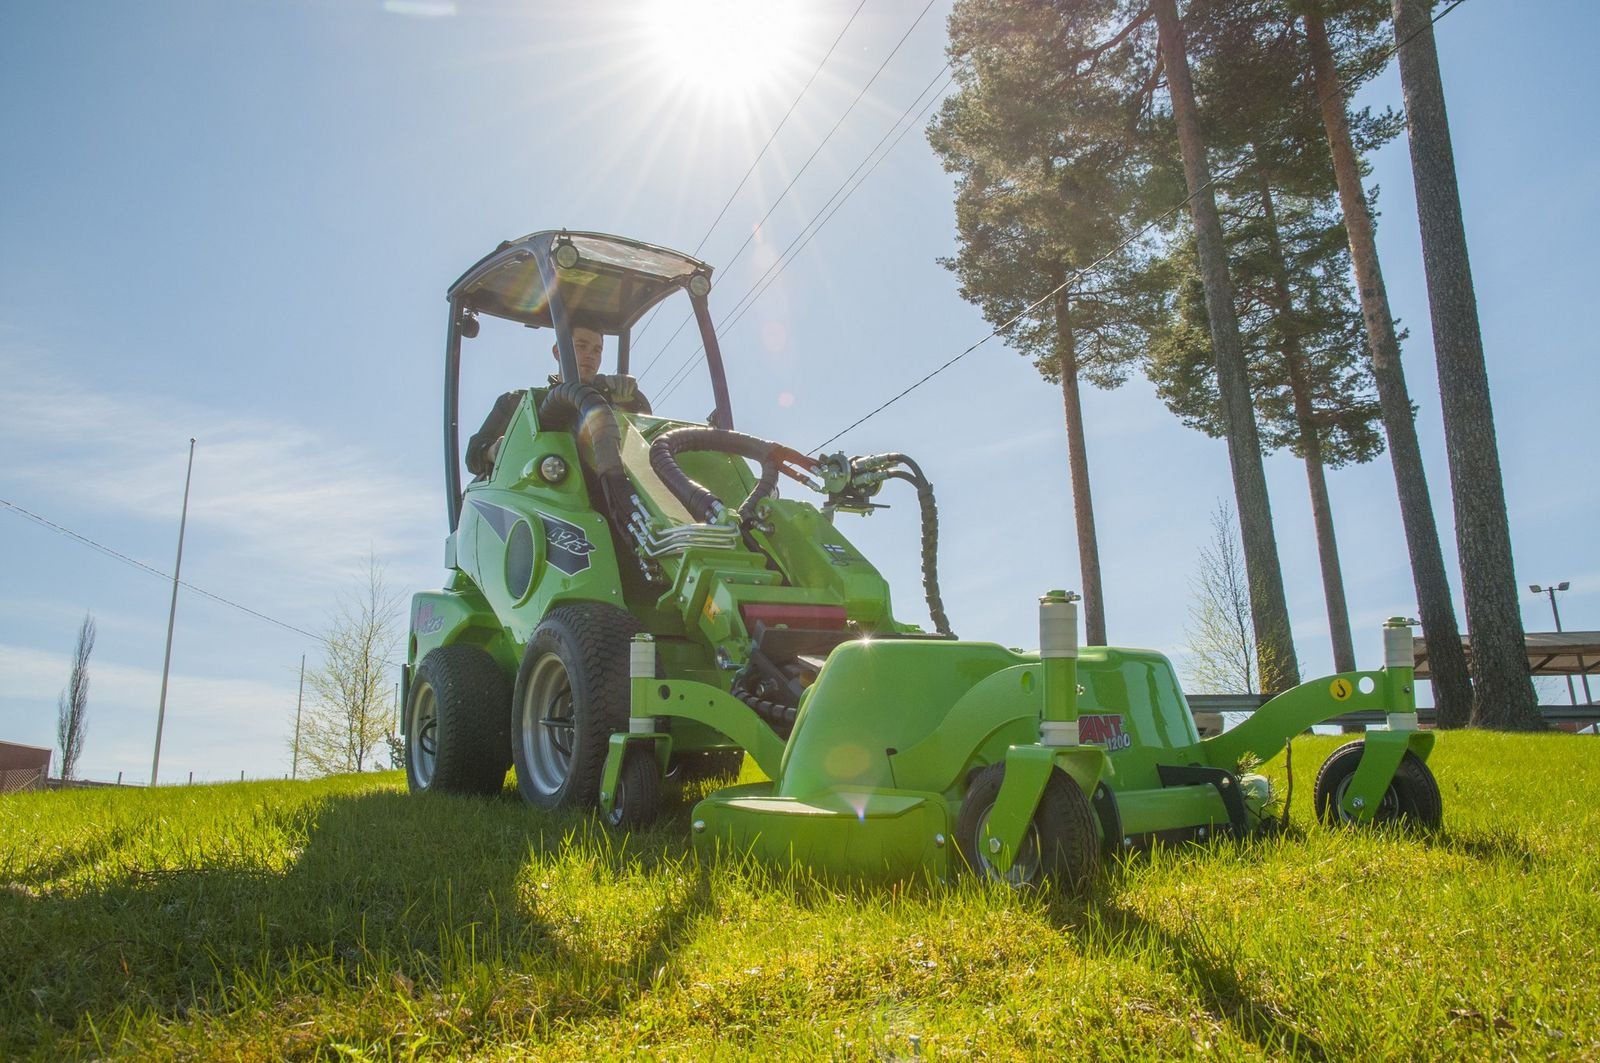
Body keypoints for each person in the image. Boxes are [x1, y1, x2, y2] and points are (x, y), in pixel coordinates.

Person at [465, 327, 649, 477]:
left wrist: (628, 401)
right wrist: (492, 451)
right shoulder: (519, 402)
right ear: (558, 351)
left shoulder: (611, 400)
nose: (590, 355)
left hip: (614, 494)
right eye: (581, 346)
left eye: (597, 350)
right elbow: (473, 454)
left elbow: (645, 442)